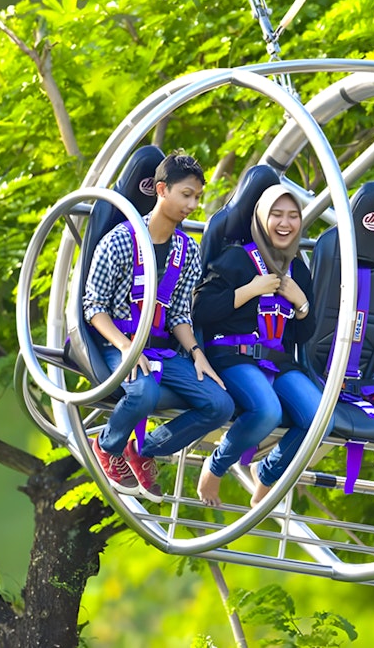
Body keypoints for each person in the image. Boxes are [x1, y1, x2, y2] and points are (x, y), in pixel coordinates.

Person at [82, 151, 235, 503]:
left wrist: (197, 354)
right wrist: (125, 347)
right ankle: (108, 445)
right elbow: (94, 307)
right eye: (186, 195)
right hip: (118, 341)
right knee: (144, 393)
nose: (193, 204)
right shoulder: (121, 240)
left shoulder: (187, 252)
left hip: (160, 348)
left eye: (197, 197)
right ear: (162, 190)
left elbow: (179, 314)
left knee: (219, 404)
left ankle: (145, 450)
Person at [192, 183, 329, 507]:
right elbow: (201, 309)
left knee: (321, 419)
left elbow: (300, 334)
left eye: (293, 216)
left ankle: (267, 473)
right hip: (232, 353)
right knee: (267, 411)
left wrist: (301, 304)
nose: (285, 223)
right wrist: (251, 290)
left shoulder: (297, 268)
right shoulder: (237, 259)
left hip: (276, 360)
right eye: (276, 215)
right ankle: (216, 466)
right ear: (261, 219)